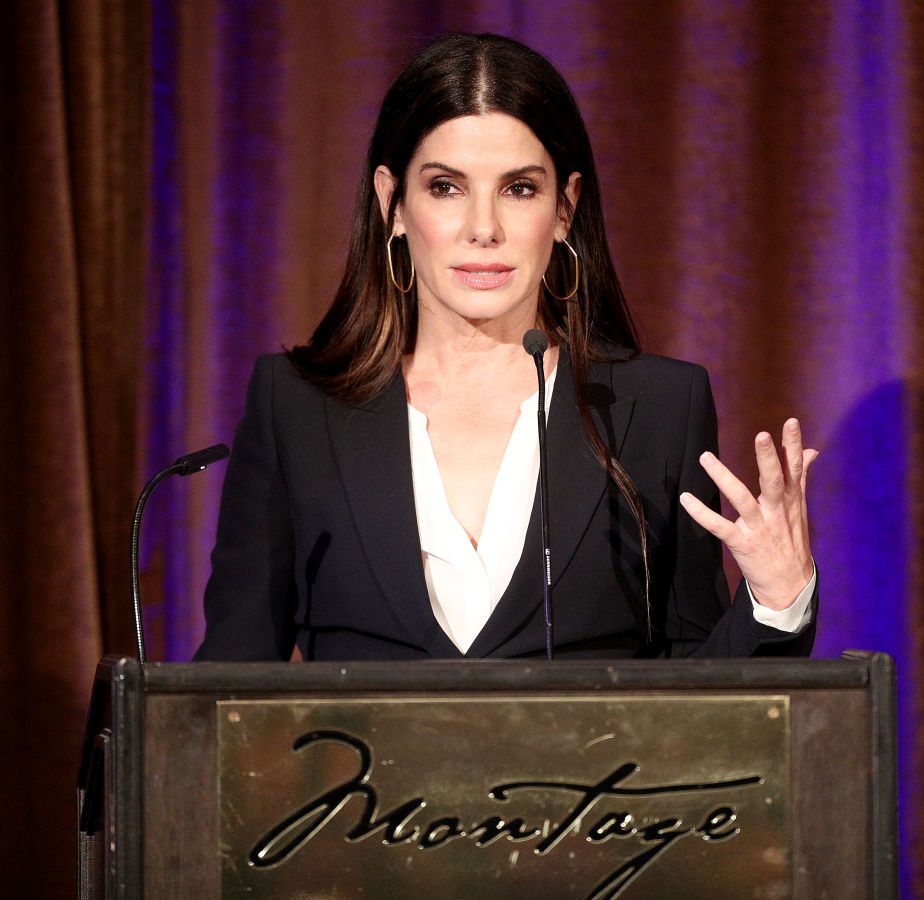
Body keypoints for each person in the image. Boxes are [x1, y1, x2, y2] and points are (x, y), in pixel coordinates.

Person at [194, 33, 817, 662]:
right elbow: (230, 686)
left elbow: (705, 705)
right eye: (446, 187)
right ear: (394, 204)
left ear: (565, 208)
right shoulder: (296, 407)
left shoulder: (658, 406)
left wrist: (777, 600)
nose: (483, 229)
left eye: (519, 189)